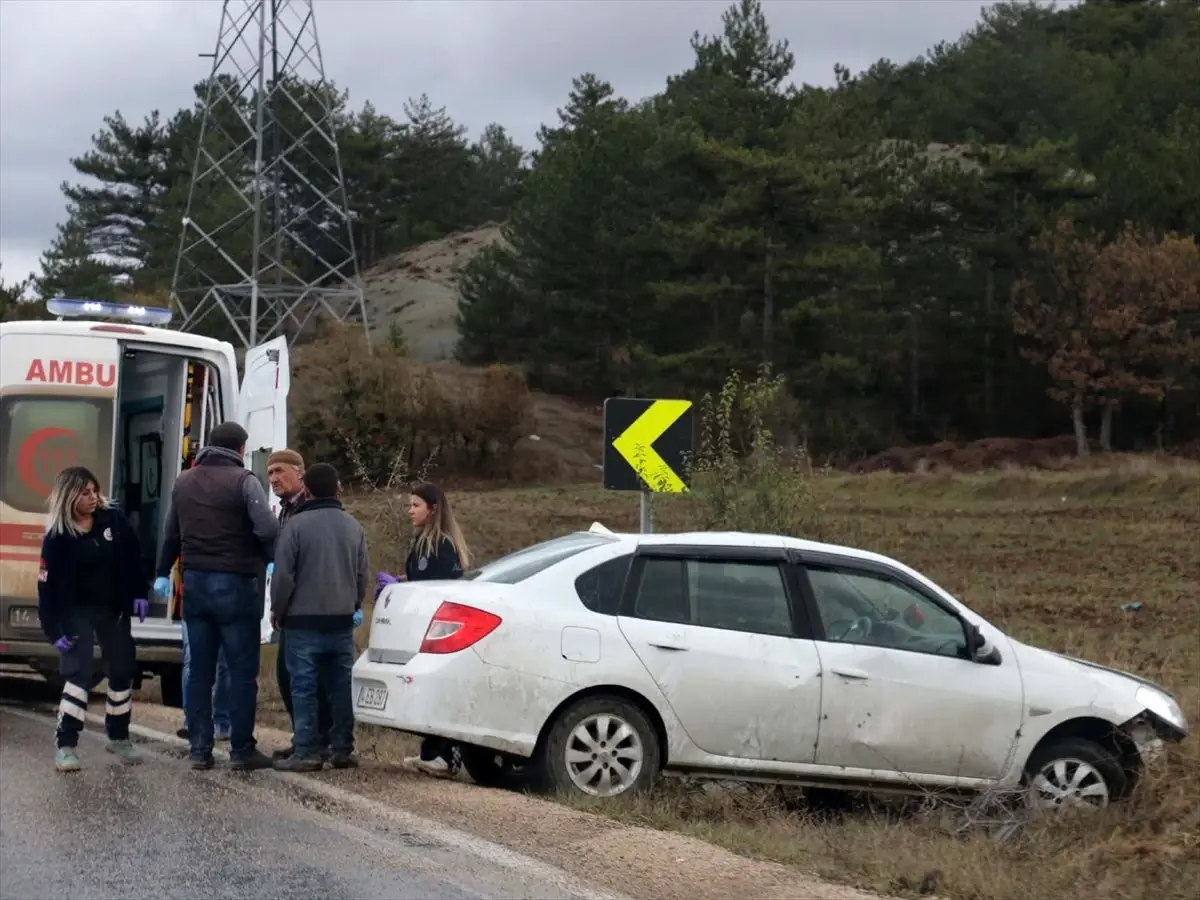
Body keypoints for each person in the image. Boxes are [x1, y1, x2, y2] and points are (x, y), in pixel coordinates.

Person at [154, 421, 278, 771]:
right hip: (236, 586)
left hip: (195, 586)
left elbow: (170, 535)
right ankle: (241, 750)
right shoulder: (244, 481)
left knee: (199, 672)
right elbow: (267, 527)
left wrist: (163, 573)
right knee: (240, 672)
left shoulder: (184, 481)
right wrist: (270, 559)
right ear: (240, 449)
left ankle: (199, 749)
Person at [37, 467, 149, 772]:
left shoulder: (112, 519)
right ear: (69, 497)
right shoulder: (58, 536)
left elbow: (133, 557)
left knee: (123, 666)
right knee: (79, 673)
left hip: (112, 607)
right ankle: (66, 745)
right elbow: (46, 587)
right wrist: (53, 629)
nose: (92, 498)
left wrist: (140, 593)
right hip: (74, 612)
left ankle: (118, 735)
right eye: (84, 493)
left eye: (94, 491)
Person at [269, 462, 369, 772]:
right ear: (337, 488)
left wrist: (278, 610)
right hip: (340, 619)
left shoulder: (295, 526)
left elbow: (284, 576)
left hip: (302, 620)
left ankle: (306, 751)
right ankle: (341, 749)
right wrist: (353, 604)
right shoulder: (353, 526)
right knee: (340, 686)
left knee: (304, 686)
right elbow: (362, 573)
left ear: (307, 490)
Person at [375, 482, 472, 776]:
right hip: (421, 626)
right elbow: (422, 575)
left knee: (440, 688)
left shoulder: (441, 545)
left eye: (415, 506)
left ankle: (447, 756)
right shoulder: (422, 543)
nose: (409, 511)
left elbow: (440, 585)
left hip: (440, 627)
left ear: (433, 509)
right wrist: (400, 581)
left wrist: (407, 585)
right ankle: (430, 753)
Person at [265, 449, 333, 761]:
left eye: (279, 471)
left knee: (308, 678)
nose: (274, 479)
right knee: (288, 675)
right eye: (270, 474)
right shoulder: (285, 510)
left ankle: (318, 740)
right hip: (292, 607)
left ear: (299, 473)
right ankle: (305, 736)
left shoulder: (310, 508)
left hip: (310, 605)